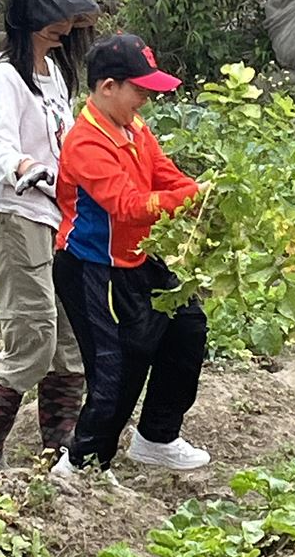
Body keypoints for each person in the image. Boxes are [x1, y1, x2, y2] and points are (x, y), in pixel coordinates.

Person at [49, 33, 211, 484]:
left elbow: (164, 175)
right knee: (116, 365)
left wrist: (199, 193)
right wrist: (189, 198)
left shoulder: (134, 127)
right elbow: (128, 205)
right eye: (139, 90)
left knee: (186, 327)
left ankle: (156, 438)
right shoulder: (85, 142)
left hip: (137, 257)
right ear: (108, 87)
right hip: (92, 268)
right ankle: (81, 464)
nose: (146, 99)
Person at [0, 0, 99, 474]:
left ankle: (61, 445)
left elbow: (66, 141)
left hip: (54, 214)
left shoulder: (55, 74)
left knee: (69, 334)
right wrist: (24, 167)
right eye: (52, 20)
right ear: (26, 18)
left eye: (68, 20)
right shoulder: (4, 76)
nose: (62, 28)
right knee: (33, 333)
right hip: (11, 212)